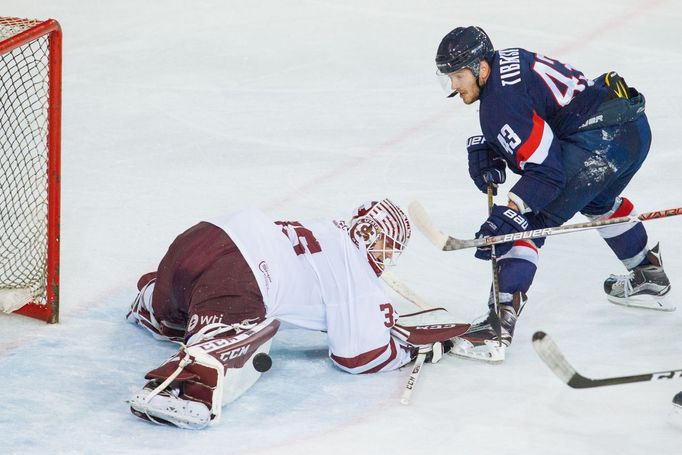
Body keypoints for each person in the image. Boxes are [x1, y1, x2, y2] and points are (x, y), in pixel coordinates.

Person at [433, 26, 672, 362]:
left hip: (600, 143)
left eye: (458, 76)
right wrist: (498, 147)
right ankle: (647, 272)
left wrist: (512, 209)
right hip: (631, 127)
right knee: (595, 198)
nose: (454, 87)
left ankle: (496, 328)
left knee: (527, 222)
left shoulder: (498, 106)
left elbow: (548, 172)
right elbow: (540, 119)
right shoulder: (507, 60)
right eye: (449, 78)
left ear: (481, 68)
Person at [125, 199, 465, 429]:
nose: (387, 257)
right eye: (389, 249)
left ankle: (152, 302)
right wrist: (405, 352)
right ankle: (180, 387)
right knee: (251, 329)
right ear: (377, 239)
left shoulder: (328, 229)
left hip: (202, 237)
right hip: (241, 273)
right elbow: (358, 357)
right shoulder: (357, 273)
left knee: (179, 307)